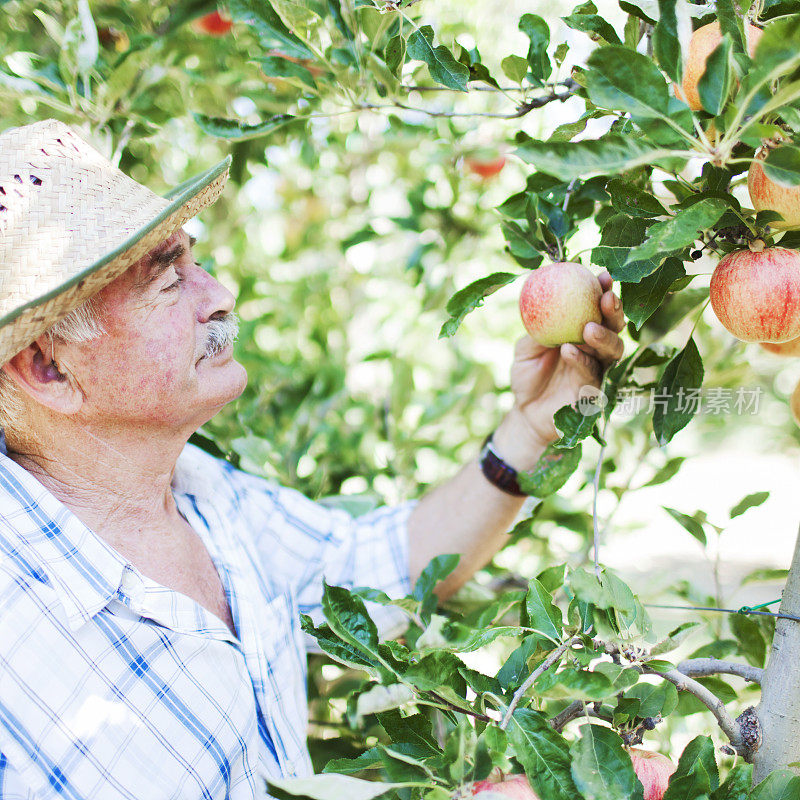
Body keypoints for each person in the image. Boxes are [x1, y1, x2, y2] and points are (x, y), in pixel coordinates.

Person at [0, 119, 625, 799]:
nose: (219, 296)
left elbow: (383, 566)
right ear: (46, 368)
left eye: (192, 260)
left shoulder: (207, 496)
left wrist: (531, 428)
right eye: (168, 283)